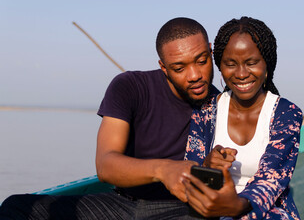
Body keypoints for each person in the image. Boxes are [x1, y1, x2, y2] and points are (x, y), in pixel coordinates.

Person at [0, 17, 218, 219]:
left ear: (210, 52)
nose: (194, 75)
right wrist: (163, 170)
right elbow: (105, 165)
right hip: (121, 204)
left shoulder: (223, 104)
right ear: (163, 67)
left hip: (183, 209)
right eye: (179, 68)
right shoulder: (130, 86)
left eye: (201, 61)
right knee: (15, 207)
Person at [182, 17, 303, 219]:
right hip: (211, 209)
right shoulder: (206, 111)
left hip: (265, 213)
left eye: (251, 63)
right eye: (231, 64)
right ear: (220, 66)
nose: (241, 73)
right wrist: (206, 165)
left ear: (267, 64)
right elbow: (189, 172)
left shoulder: (286, 113)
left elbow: (271, 180)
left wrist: (235, 207)